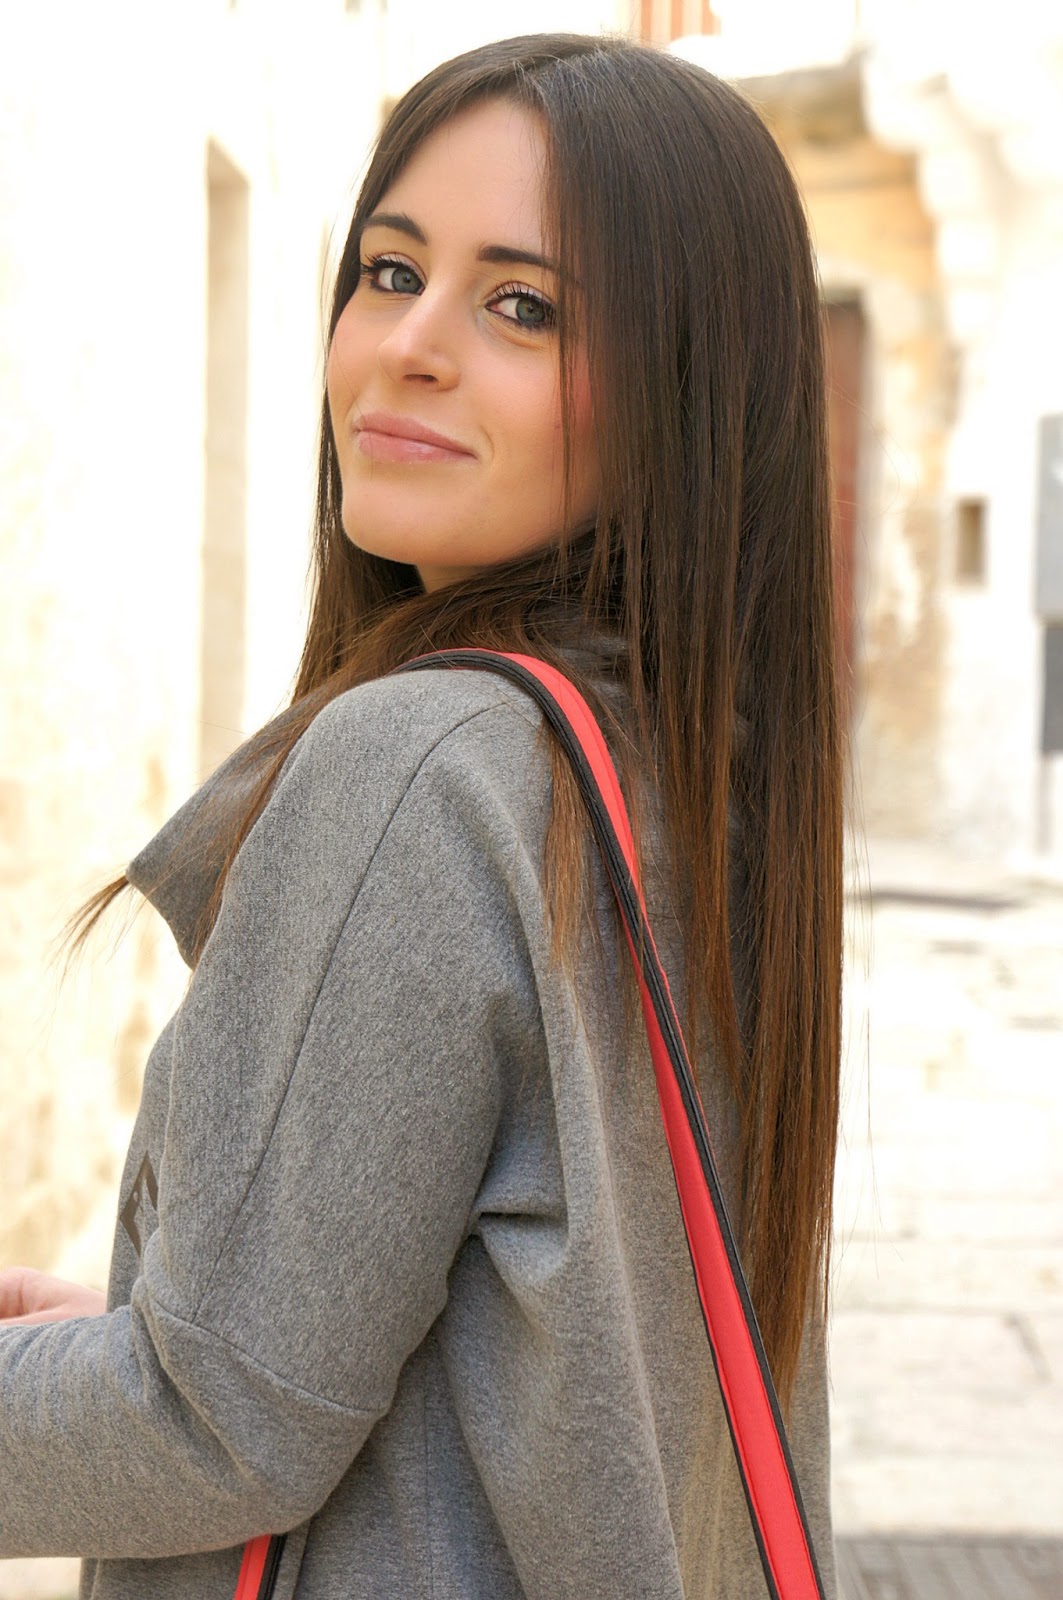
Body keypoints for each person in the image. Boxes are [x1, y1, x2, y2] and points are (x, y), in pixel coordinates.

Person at [0, 30, 846, 1600]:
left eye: (523, 307)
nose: (409, 346)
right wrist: (129, 1341)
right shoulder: (672, 764)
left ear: (686, 388)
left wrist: (170, 1375)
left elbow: (209, 1427)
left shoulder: (424, 764)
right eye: (390, 272)